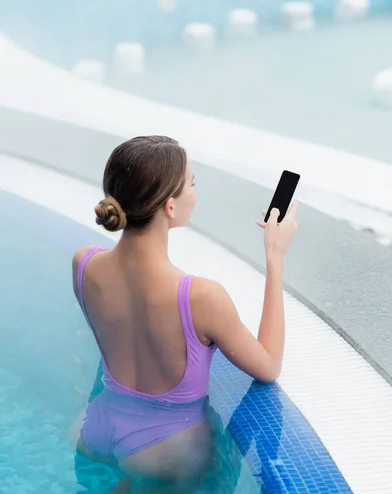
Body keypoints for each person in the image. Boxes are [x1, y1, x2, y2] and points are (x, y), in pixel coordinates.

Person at [71, 135, 298, 493]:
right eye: (191, 184)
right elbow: (268, 367)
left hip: (93, 428)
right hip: (163, 450)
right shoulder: (200, 297)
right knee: (223, 463)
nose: (195, 193)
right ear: (170, 207)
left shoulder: (84, 264)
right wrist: (275, 257)